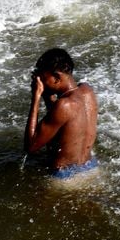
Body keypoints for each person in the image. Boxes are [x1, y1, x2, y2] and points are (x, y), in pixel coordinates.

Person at [24, 48, 98, 182]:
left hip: (65, 177)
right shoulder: (87, 91)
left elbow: (30, 146)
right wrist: (47, 98)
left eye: (42, 77)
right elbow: (64, 123)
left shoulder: (64, 105)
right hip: (90, 167)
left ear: (56, 78)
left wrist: (35, 97)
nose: (40, 81)